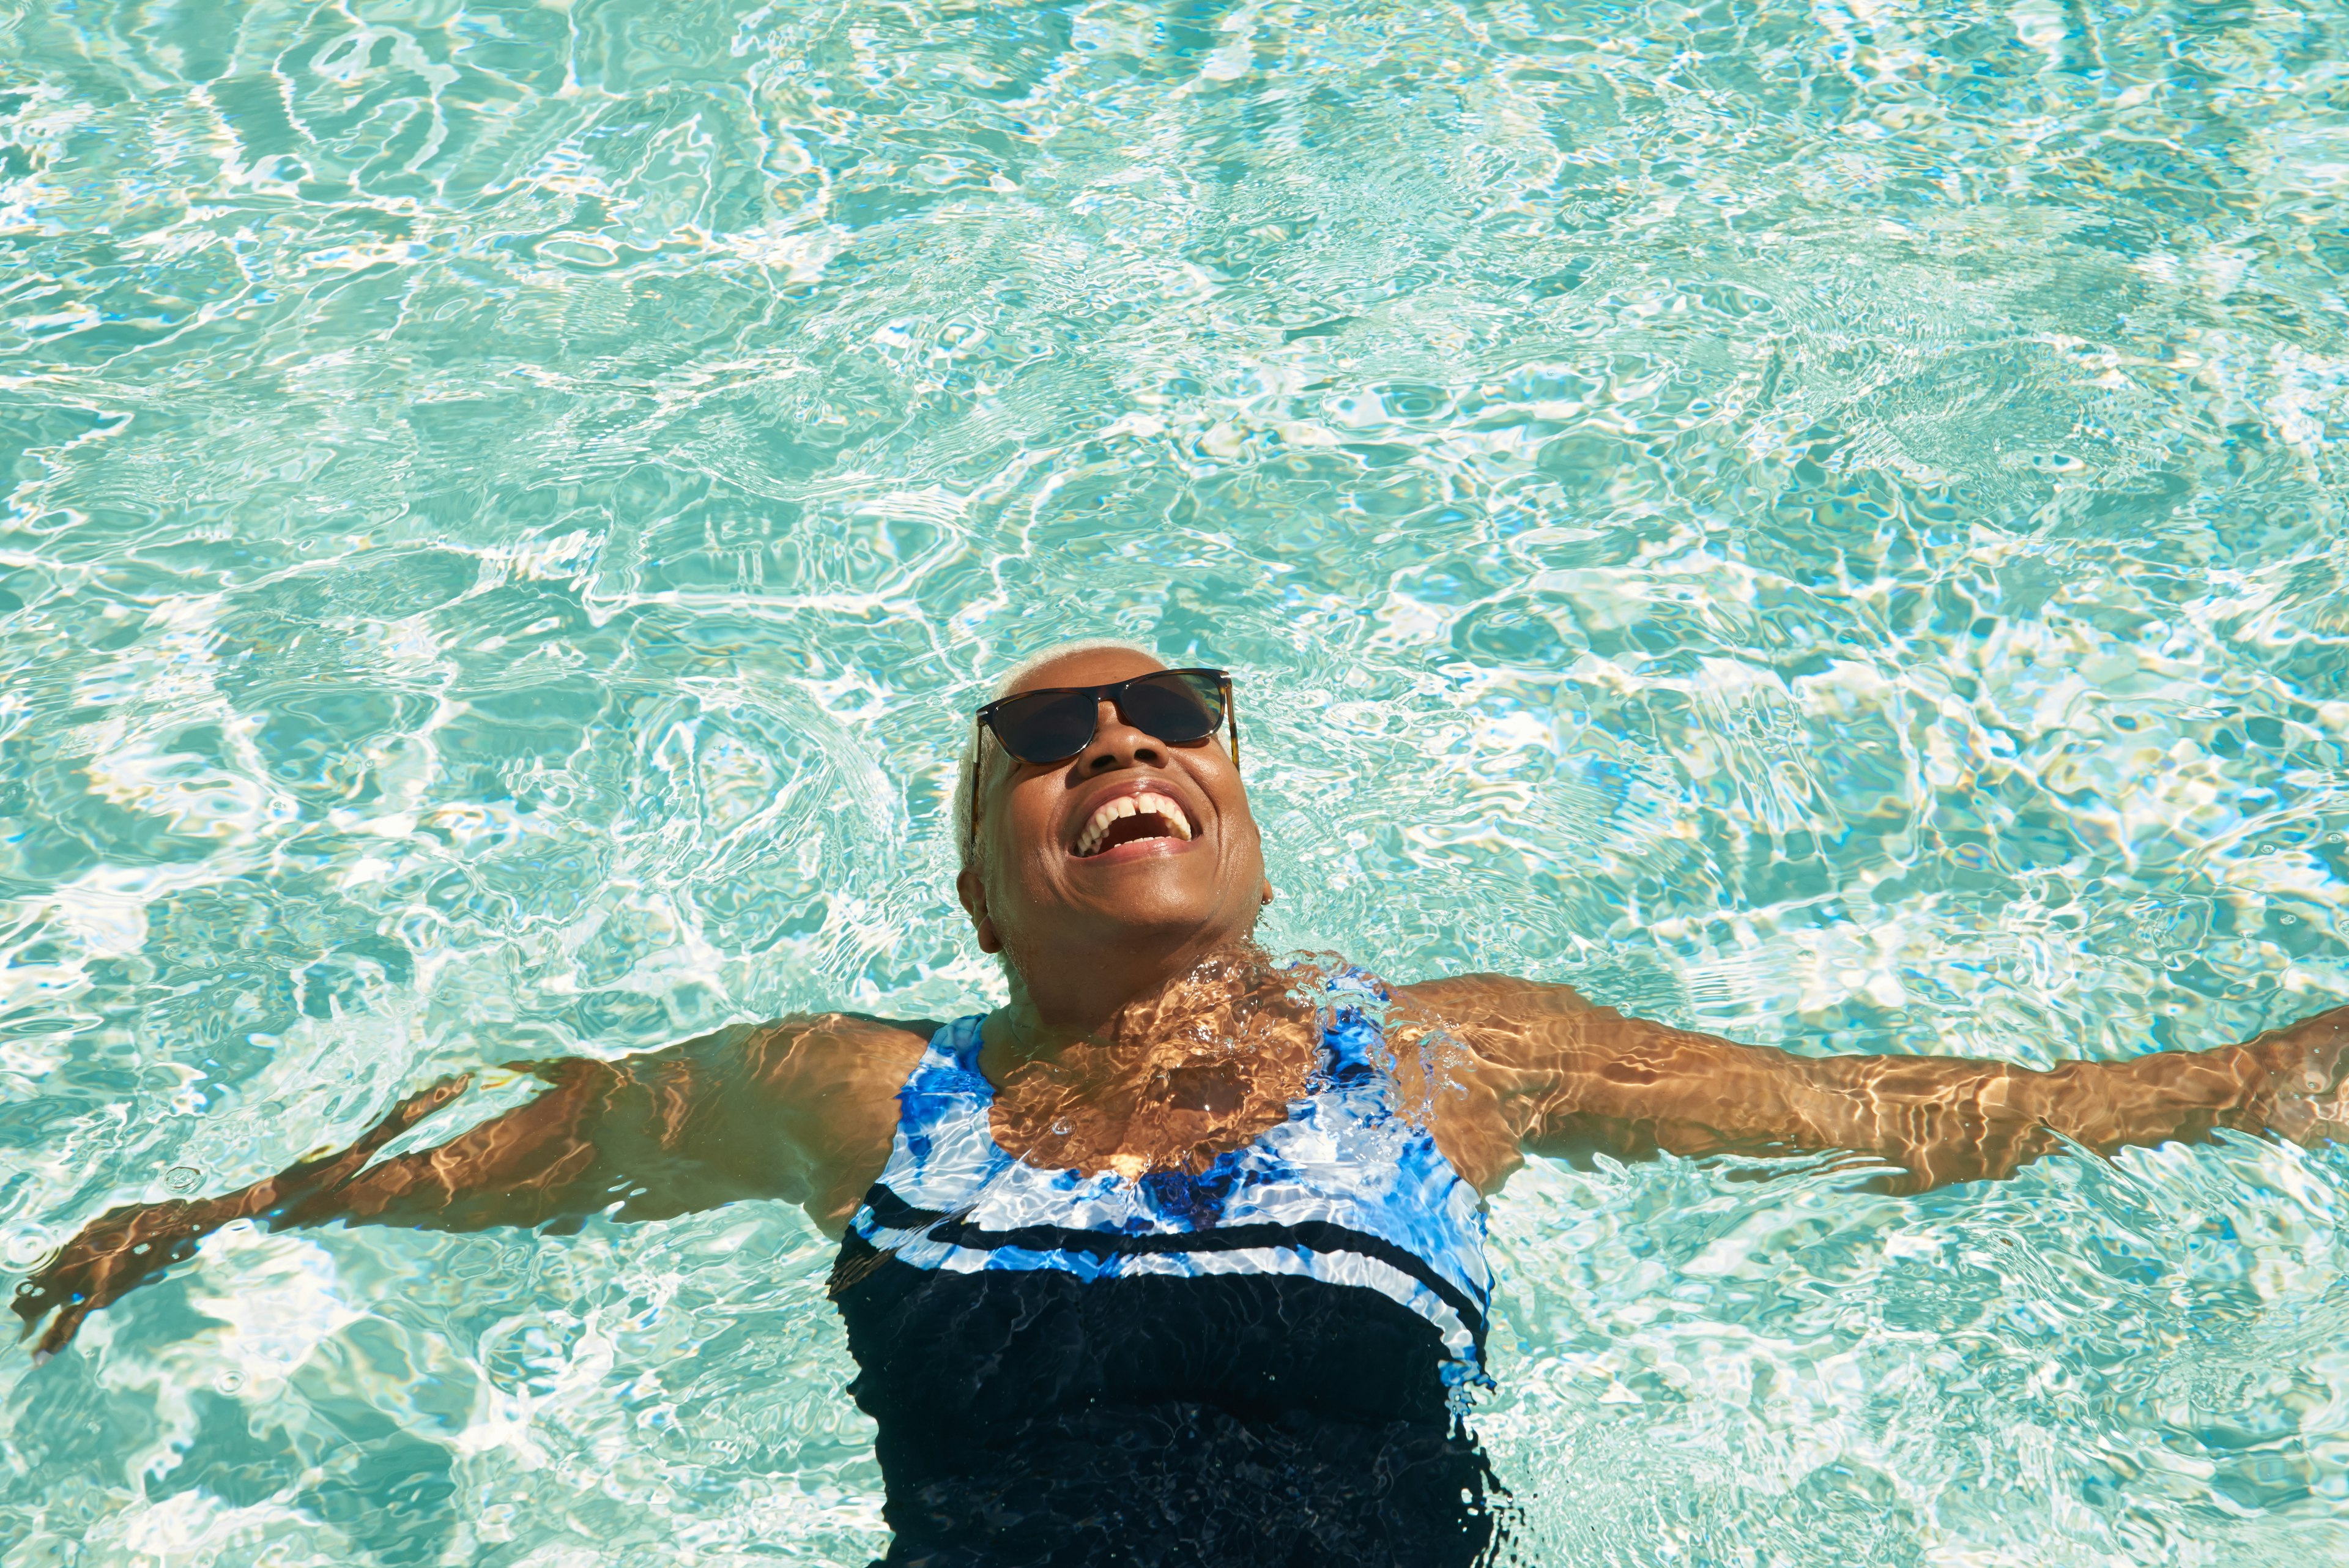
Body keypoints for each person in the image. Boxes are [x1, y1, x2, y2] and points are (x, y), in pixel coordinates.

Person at [17, 641, 2349, 1567]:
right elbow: (548, 1151)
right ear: (979, 875)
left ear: (1237, 800)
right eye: (1048, 741)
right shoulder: (863, 1088)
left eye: (1170, 712)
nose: (1117, 743)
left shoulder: (1451, 1053)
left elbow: (1906, 1119)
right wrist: (226, 1211)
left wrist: (2267, 1084)